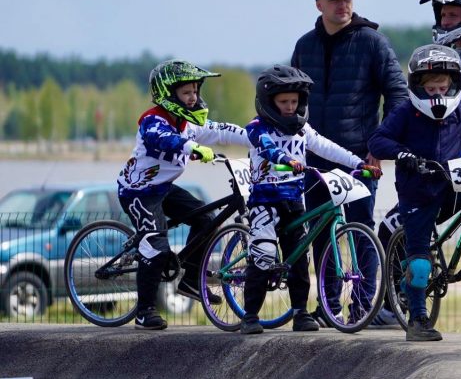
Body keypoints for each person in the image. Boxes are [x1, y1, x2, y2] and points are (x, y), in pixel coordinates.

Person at [368, 44, 461, 342]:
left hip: (453, 184)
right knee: (421, 265)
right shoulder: (405, 113)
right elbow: (377, 140)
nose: (438, 92)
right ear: (417, 87)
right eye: (431, 87)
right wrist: (403, 155)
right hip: (418, 192)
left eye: (443, 85)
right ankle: (418, 319)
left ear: (454, 84)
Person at [291, 0, 407, 327]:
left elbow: (398, 95)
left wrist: (379, 146)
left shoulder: (373, 42)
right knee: (320, 231)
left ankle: (363, 308)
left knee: (361, 230)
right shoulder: (305, 45)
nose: (343, 5)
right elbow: (291, 100)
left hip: (359, 157)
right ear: (319, 5)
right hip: (314, 158)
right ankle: (329, 308)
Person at [240, 65, 382, 335]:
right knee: (263, 254)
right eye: (284, 102)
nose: (290, 107)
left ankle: (301, 312)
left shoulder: (303, 129)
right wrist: (286, 160)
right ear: (269, 102)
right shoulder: (257, 128)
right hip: (265, 202)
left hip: (294, 201)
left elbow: (327, 147)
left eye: (294, 101)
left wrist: (360, 163)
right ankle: (250, 315)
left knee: (299, 258)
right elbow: (268, 149)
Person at [118, 59, 251, 330]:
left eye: (195, 92)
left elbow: (221, 130)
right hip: (137, 192)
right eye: (186, 93)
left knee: (207, 218)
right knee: (155, 244)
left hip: (164, 189)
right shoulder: (152, 119)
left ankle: (190, 279)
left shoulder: (189, 122)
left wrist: (257, 138)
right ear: (168, 94)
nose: (193, 98)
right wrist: (192, 148)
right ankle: (144, 313)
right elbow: (163, 139)